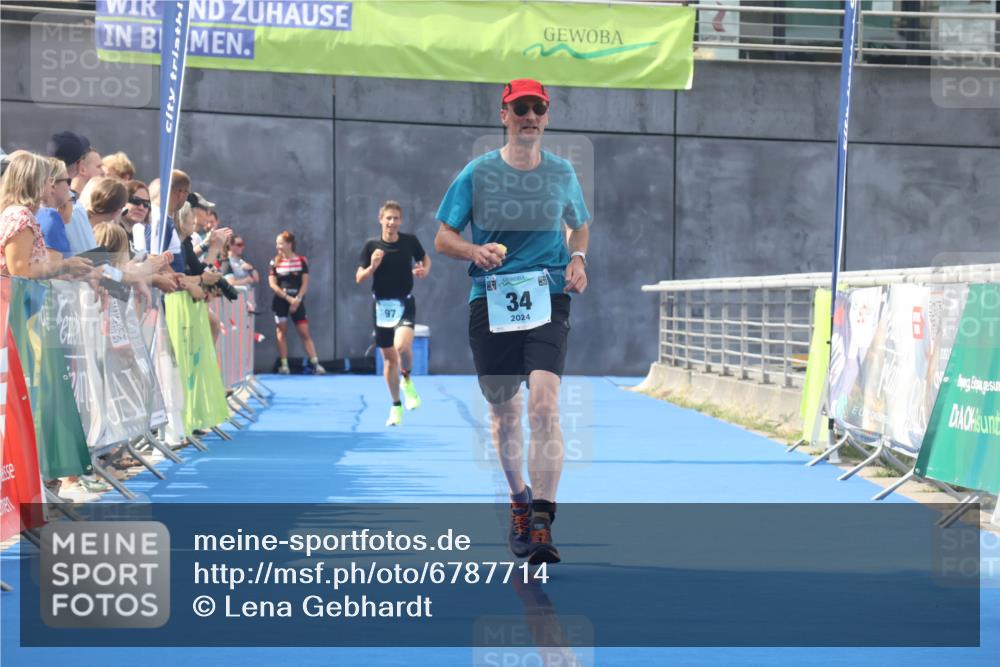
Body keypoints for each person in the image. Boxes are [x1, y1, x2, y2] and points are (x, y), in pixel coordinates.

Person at [434, 79, 590, 565]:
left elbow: (579, 222)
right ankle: (519, 499)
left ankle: (542, 519)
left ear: (547, 116)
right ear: (503, 114)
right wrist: (474, 251)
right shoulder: (478, 173)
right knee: (505, 416)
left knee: (544, 405)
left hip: (548, 297)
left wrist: (579, 256)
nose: (530, 116)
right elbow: (443, 237)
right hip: (492, 299)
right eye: (520, 108)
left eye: (538, 109)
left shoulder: (563, 172)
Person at [356, 200, 431, 426]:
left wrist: (424, 270)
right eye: (388, 218)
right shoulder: (371, 246)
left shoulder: (409, 242)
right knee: (389, 361)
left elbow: (424, 259)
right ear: (381, 219)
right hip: (381, 307)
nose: (392, 222)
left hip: (405, 303)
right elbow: (359, 277)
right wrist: (372, 266)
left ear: (400, 220)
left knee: (402, 346)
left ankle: (407, 379)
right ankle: (396, 405)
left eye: (395, 218)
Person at [0, 150, 91, 279]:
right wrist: (65, 265)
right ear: (36, 183)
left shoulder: (17, 214)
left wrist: (67, 272)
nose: (52, 186)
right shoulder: (21, 216)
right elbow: (20, 270)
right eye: (50, 180)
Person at [268, 230, 325, 375]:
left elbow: (305, 283)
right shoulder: (275, 262)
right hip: (281, 302)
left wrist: (297, 300)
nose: (278, 246)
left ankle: (315, 364)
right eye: (277, 244)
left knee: (304, 333)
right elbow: (273, 284)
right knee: (281, 332)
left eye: (280, 243)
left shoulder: (301, 260)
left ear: (289, 244)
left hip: (298, 302)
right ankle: (284, 365)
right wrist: (288, 299)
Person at [37, 157, 73, 258]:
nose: (69, 187)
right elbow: (61, 269)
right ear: (52, 184)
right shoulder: (50, 217)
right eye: (68, 181)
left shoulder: (34, 213)